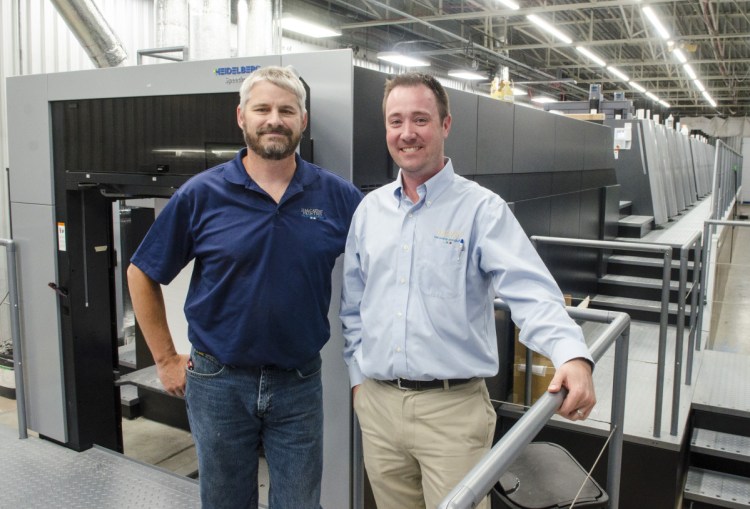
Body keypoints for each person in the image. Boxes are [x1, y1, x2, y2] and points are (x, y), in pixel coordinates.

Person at [340, 72, 596, 509]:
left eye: (420, 119)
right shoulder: (369, 211)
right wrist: (358, 384)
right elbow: (353, 307)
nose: (406, 133)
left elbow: (529, 289)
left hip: (452, 414)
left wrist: (570, 354)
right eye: (395, 121)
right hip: (378, 407)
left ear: (445, 125)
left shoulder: (481, 209)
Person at [127, 65, 363, 509]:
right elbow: (141, 272)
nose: (274, 119)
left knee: (299, 502)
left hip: (298, 383)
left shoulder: (337, 196)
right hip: (218, 383)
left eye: (286, 110)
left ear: (303, 121)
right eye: (263, 109)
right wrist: (164, 358)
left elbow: (385, 260)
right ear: (242, 117)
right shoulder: (203, 194)